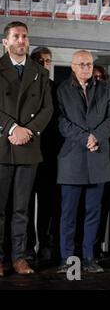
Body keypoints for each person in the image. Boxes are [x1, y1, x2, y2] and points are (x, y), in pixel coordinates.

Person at [56, 50, 110, 274]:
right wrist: (86, 138)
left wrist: (96, 137)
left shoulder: (106, 89)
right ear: (72, 66)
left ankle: (90, 257)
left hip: (98, 158)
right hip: (71, 159)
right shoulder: (61, 90)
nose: (86, 68)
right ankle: (68, 259)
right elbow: (61, 121)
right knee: (69, 214)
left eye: (89, 64)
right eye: (81, 64)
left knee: (94, 213)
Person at [0, 21, 53, 276]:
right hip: (2, 144)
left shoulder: (40, 72)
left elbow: (47, 109)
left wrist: (27, 131)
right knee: (0, 208)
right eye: (16, 36)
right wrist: (12, 128)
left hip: (28, 146)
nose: (21, 40)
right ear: (5, 42)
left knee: (22, 208)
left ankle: (19, 258)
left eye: (24, 36)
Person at [25, 47, 62, 264]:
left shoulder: (56, 89)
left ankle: (46, 247)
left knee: (49, 205)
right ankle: (28, 249)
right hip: (28, 152)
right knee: (26, 205)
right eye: (40, 60)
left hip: (50, 156)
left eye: (48, 60)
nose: (44, 63)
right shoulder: (26, 86)